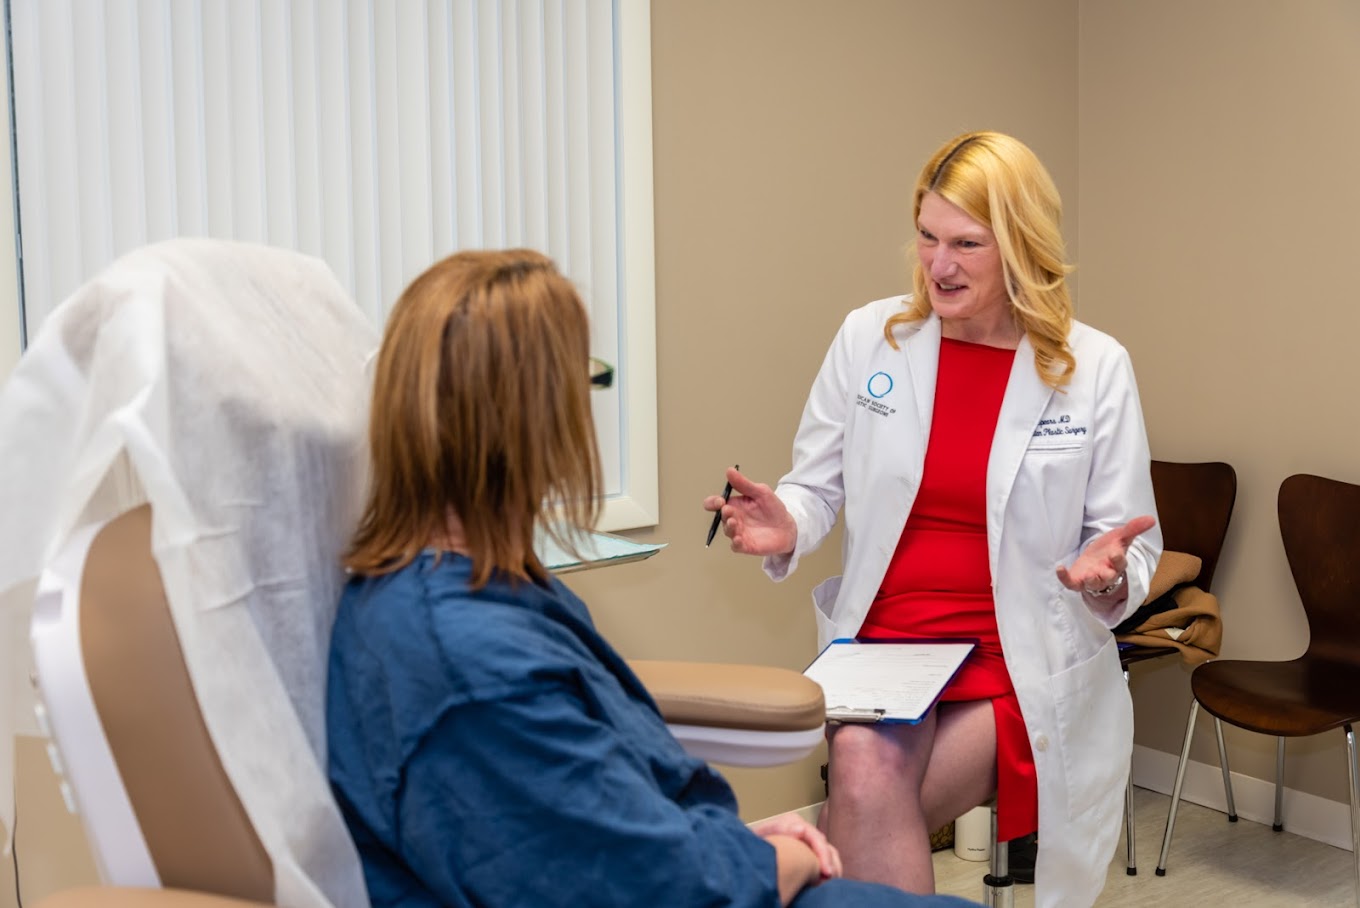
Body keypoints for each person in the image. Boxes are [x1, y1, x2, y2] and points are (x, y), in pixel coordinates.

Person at [325, 248, 978, 908]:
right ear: (536, 422)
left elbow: (590, 821)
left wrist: (726, 843)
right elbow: (654, 888)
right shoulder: (471, 661)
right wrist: (780, 858)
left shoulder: (474, 590)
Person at [703, 131, 1161, 908]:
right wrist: (791, 523)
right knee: (863, 779)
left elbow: (1130, 548)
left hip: (1016, 657)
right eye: (926, 236)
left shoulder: (1094, 368)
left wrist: (1104, 577)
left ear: (1021, 246)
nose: (937, 265)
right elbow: (814, 488)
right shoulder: (871, 338)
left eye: (966, 244)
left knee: (856, 805)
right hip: (887, 645)